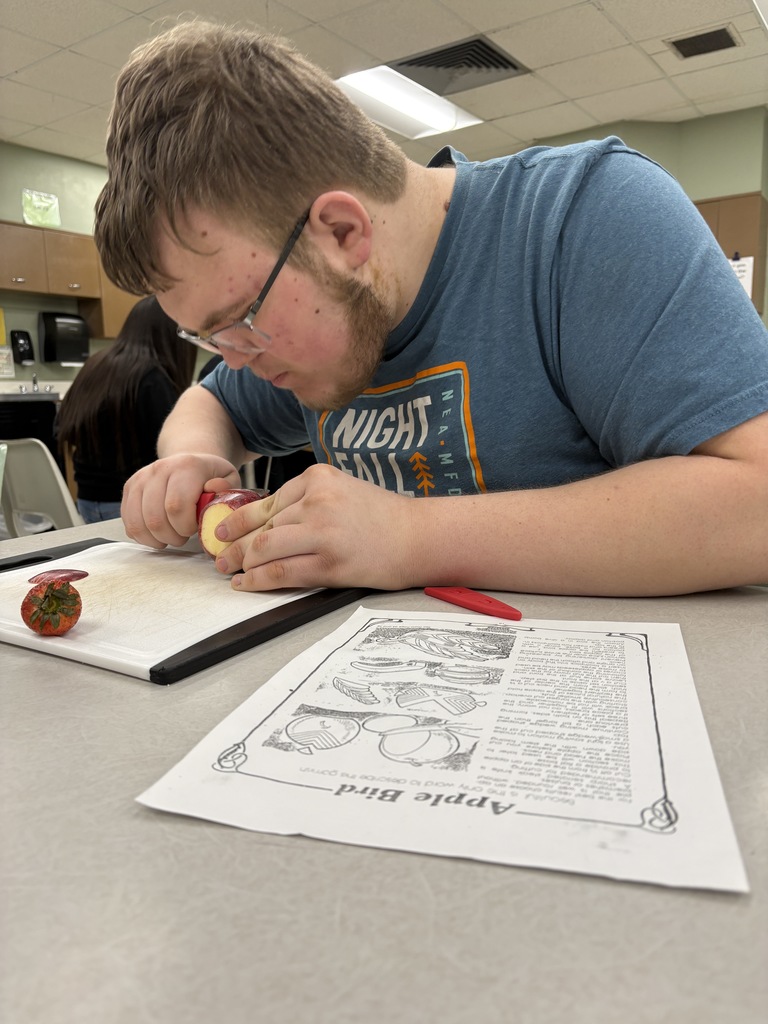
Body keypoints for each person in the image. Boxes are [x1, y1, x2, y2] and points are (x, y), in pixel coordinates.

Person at [93, 20, 768, 597]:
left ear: (341, 233)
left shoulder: (587, 218)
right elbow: (210, 405)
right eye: (213, 338)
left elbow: (757, 503)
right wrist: (189, 460)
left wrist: (409, 537)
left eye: (241, 320)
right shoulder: (293, 330)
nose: (238, 358)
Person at [56, 296, 197, 523]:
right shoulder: (153, 378)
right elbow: (172, 452)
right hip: (133, 504)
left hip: (85, 502)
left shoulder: (94, 364)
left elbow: (61, 426)